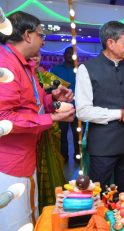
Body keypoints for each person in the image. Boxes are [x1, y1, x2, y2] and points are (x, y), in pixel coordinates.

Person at [0, 11, 74, 230]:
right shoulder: (6, 65)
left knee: (30, 217)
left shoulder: (25, 65)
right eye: (41, 35)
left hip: (26, 156)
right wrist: (51, 117)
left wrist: (53, 99)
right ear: (27, 35)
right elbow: (3, 117)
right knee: (14, 223)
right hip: (9, 164)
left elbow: (30, 104)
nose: (43, 41)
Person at [75, 21, 124, 193]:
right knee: (101, 195)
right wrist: (121, 115)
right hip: (103, 147)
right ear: (110, 43)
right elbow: (83, 111)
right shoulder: (87, 69)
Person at [30, 54, 67, 212]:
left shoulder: (44, 75)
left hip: (50, 127)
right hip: (31, 128)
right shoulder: (22, 75)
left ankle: (50, 204)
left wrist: (55, 99)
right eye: (32, 56)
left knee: (53, 162)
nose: (35, 58)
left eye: (37, 55)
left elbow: (52, 100)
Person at [50, 47, 79, 162]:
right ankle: (63, 157)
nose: (70, 55)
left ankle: (78, 157)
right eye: (68, 53)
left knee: (78, 135)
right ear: (64, 55)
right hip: (61, 108)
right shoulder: (56, 69)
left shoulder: (80, 70)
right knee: (62, 135)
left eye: (72, 53)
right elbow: (51, 89)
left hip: (77, 107)